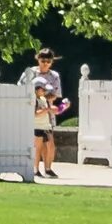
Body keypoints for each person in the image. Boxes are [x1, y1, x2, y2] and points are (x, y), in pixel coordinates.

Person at [27, 48, 68, 179]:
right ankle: (35, 168)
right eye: (43, 60)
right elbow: (22, 88)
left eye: (48, 61)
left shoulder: (54, 76)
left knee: (49, 143)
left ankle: (48, 168)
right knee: (37, 144)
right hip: (32, 111)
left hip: (47, 113)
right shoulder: (30, 73)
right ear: (38, 59)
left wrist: (58, 104)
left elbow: (55, 95)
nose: (45, 63)